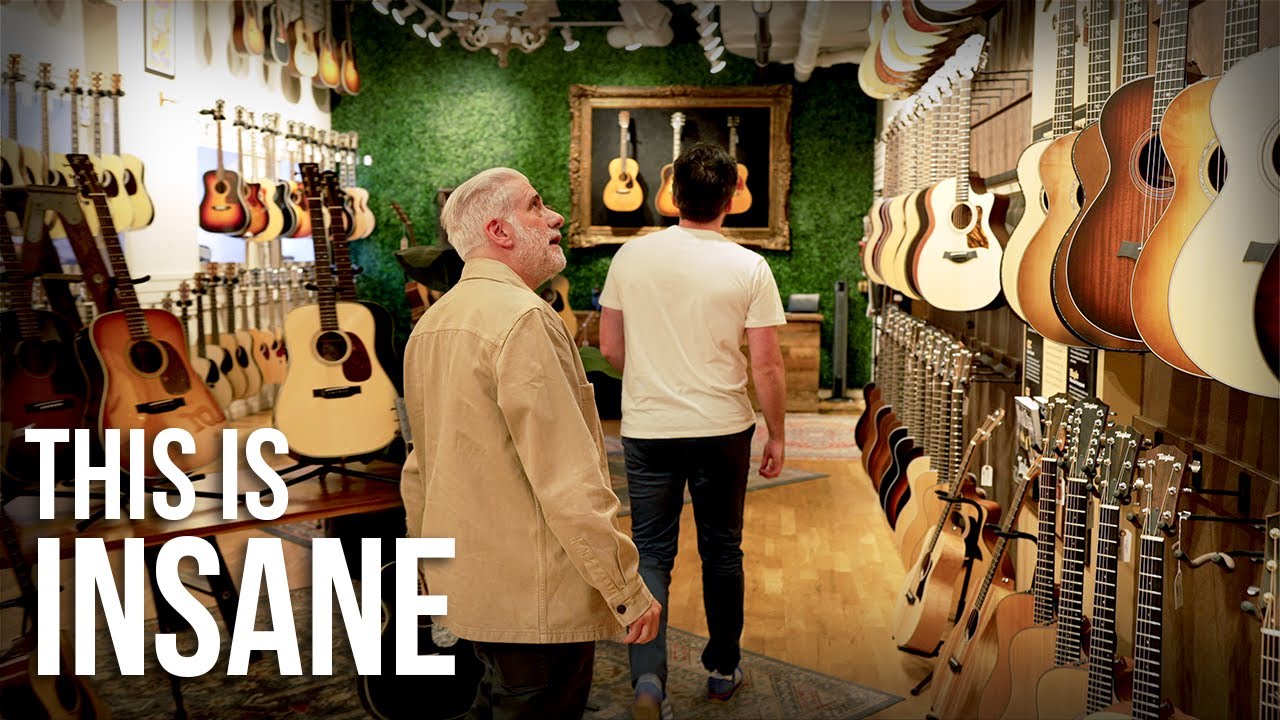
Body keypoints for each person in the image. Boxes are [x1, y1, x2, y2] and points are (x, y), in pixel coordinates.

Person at [399, 167, 662, 720]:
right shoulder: (524, 320)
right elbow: (568, 479)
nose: (555, 216)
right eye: (535, 205)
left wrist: (430, 571)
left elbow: (419, 470)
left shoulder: (431, 323)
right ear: (498, 230)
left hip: (472, 587)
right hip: (535, 597)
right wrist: (625, 590)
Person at [599, 143, 787, 719]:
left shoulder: (630, 257)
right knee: (721, 549)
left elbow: (610, 349)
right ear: (731, 197)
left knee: (651, 553)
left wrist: (654, 378)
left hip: (649, 427)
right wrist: (777, 434)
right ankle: (723, 670)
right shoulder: (749, 266)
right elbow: (767, 366)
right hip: (723, 428)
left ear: (673, 195)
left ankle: (647, 682)